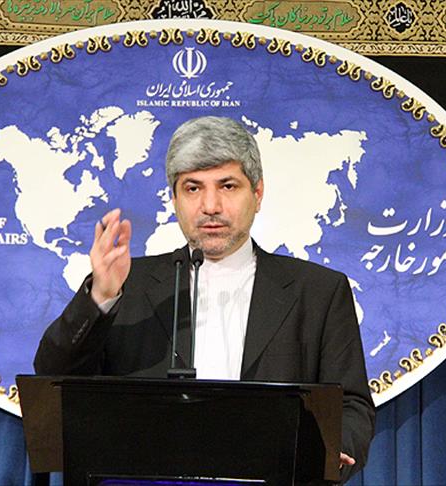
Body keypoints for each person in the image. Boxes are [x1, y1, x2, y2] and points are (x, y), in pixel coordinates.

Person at [34, 116, 375, 481]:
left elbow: (352, 404)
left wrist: (335, 449)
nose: (210, 206)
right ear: (174, 198)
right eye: (193, 188)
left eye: (227, 186)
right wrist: (101, 296)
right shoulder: (125, 285)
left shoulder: (318, 292)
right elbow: (54, 378)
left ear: (257, 193)